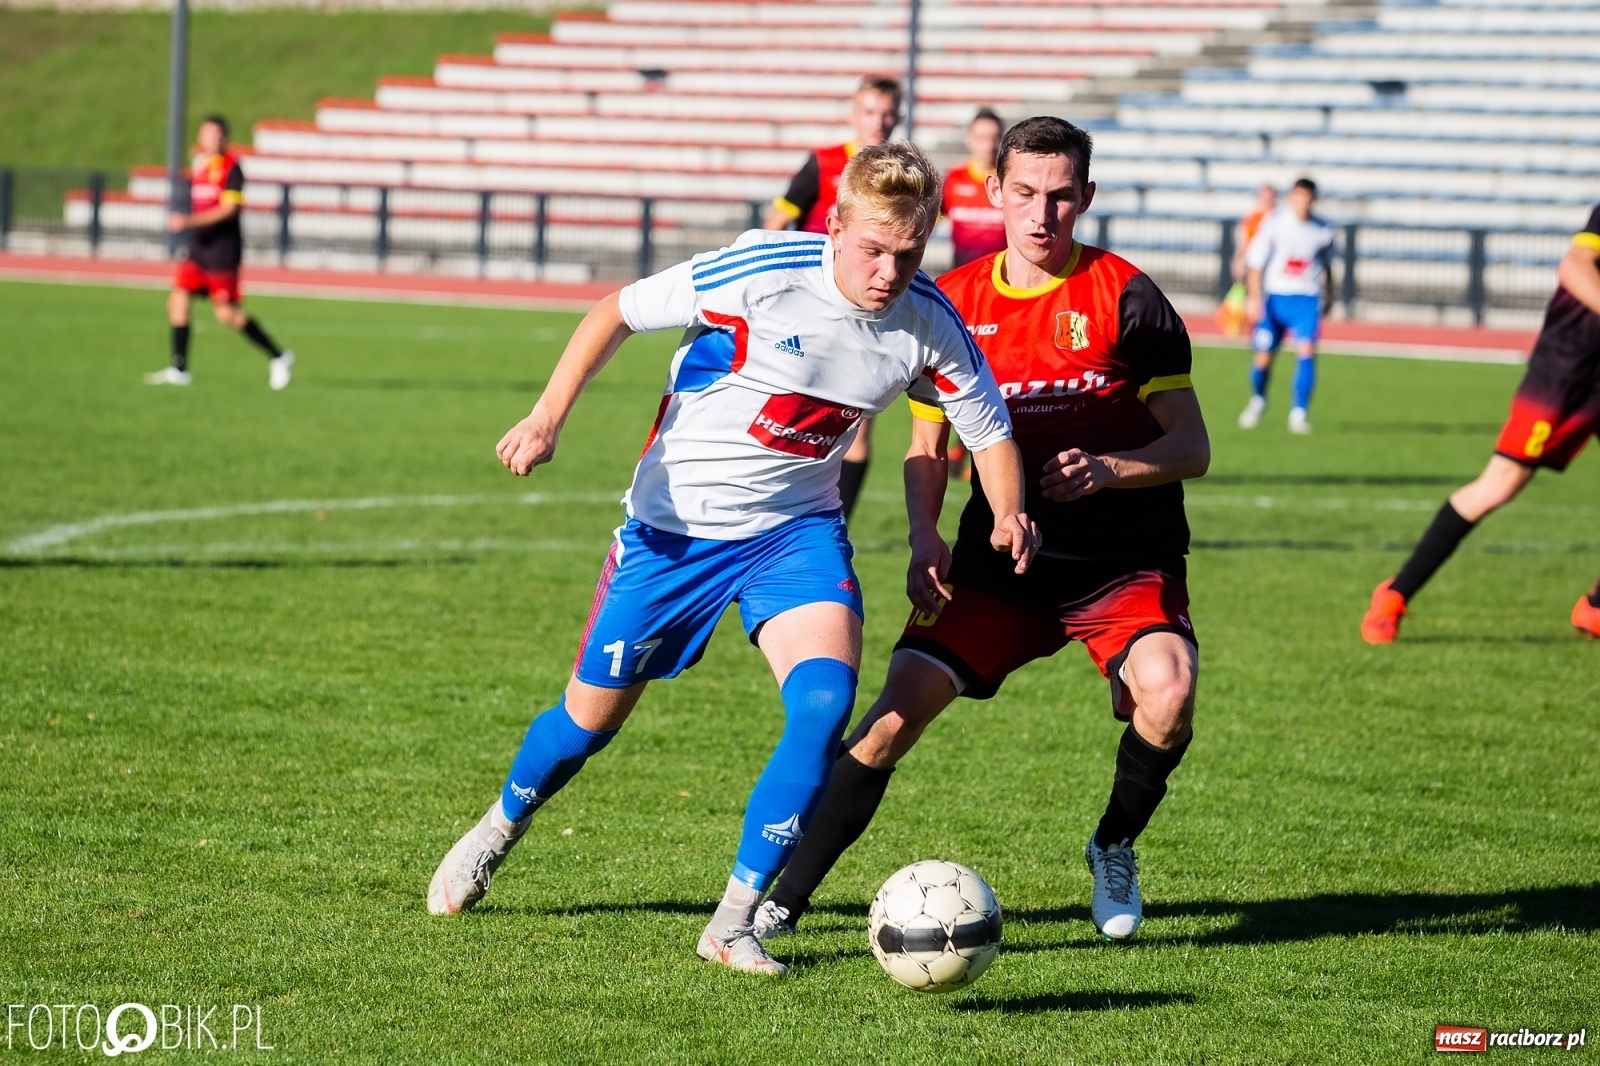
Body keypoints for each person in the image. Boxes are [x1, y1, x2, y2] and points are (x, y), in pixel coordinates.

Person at [427, 143, 1041, 977]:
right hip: (672, 536)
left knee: (824, 704)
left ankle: (733, 919)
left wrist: (1007, 513)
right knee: (584, 729)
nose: (889, 271)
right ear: (836, 227)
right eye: (872, 249)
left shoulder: (928, 319)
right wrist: (545, 419)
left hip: (794, 536)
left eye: (908, 252)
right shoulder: (758, 268)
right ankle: (500, 825)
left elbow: (988, 427)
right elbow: (612, 312)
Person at [750, 116, 1211, 945]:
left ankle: (1113, 845)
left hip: (1120, 561)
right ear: (994, 191)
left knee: (1169, 694)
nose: (1043, 215)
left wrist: (1110, 469)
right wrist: (924, 534)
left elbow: (1191, 445)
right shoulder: (949, 301)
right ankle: (784, 899)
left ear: (1087, 198)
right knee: (892, 718)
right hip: (998, 562)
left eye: (1063, 197)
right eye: (1026, 194)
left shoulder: (1128, 297)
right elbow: (925, 444)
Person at [1362, 202, 1600, 644]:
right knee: (1501, 484)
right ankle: (1395, 594)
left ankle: (1596, 608)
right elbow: (1575, 265)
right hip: (1568, 370)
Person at [764, 76, 904, 520]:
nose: (878, 122)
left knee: (856, 427)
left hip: (866, 313)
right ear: (853, 113)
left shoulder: (900, 173)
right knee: (788, 411)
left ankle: (834, 524)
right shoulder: (823, 163)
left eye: (886, 113)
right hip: (807, 311)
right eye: (870, 112)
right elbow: (776, 221)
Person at [144, 115, 294, 389]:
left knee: (226, 314)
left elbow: (229, 209)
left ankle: (279, 356)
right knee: (178, 301)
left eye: (218, 134)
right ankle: (180, 369)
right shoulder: (201, 166)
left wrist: (188, 222)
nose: (213, 139)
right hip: (198, 249)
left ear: (225, 137)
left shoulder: (232, 168)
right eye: (208, 134)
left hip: (222, 251)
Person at [1236, 177, 1333, 434]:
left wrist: (1330, 295)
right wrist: (1254, 298)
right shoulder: (1275, 223)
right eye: (1299, 196)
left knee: (1307, 352)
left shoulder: (1323, 229)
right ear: (1292, 197)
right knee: (1263, 359)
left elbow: (1328, 265)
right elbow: (1256, 263)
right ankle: (1259, 398)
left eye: (1308, 198)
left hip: (1307, 299)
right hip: (1275, 299)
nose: (1304, 202)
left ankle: (1299, 412)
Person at [942, 108, 1007, 269]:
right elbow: (926, 224)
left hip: (1003, 278)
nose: (989, 145)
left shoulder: (1010, 182)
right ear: (969, 139)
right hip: (962, 277)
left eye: (995, 138)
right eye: (982, 138)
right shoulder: (952, 178)